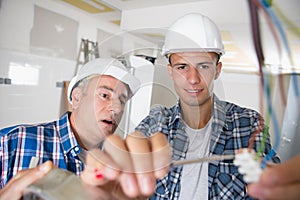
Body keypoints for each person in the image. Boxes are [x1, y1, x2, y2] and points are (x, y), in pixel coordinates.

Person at [133, 13, 281, 199]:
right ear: (170, 71)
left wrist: (276, 182)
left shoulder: (248, 124)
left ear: (217, 70)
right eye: (182, 67)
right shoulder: (157, 123)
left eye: (203, 66)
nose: (193, 79)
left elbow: (274, 186)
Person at [0, 57, 171, 199]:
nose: (117, 108)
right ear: (76, 98)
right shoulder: (12, 141)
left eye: (122, 100)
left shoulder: (117, 170)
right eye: (105, 95)